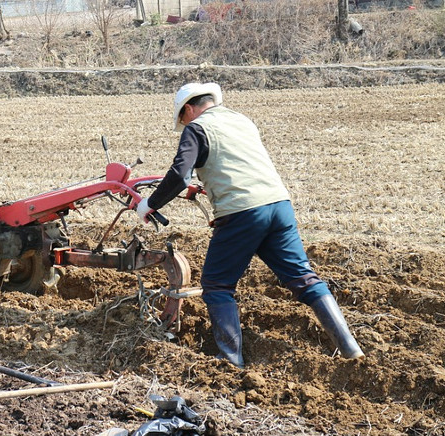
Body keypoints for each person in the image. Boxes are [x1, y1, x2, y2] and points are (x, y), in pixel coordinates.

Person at [136, 82, 364, 368]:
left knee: (217, 284)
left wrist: (150, 204)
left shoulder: (197, 128)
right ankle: (350, 347)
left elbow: (179, 175)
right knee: (303, 278)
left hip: (242, 213)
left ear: (189, 109)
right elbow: (233, 164)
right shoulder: (241, 121)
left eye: (182, 119)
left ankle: (231, 361)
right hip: (279, 206)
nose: (184, 125)